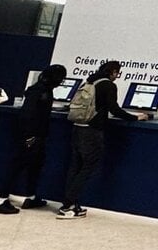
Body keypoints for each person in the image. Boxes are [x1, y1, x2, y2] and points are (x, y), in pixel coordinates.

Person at [58, 60, 146, 219]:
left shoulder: (90, 81)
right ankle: (68, 205)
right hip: (92, 131)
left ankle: (69, 203)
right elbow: (114, 109)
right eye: (117, 73)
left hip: (77, 127)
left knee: (75, 167)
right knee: (87, 167)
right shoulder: (108, 85)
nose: (117, 76)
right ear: (113, 72)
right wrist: (135, 117)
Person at [0, 64, 67, 214]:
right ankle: (2, 200)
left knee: (35, 166)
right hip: (31, 136)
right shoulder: (40, 92)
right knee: (17, 166)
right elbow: (28, 114)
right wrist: (29, 136)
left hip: (37, 135)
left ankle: (31, 196)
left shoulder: (41, 90)